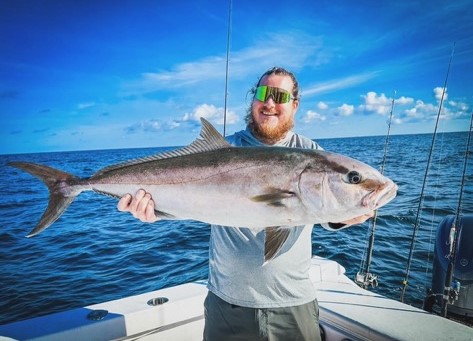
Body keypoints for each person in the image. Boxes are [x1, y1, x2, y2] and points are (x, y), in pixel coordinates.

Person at [118, 67, 373, 340]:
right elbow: (187, 197)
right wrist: (152, 210)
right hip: (227, 305)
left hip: (292, 303)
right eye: (263, 93)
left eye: (280, 96)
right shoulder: (223, 149)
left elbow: (324, 212)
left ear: (295, 105)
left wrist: (346, 214)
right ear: (253, 100)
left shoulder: (312, 153)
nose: (270, 103)